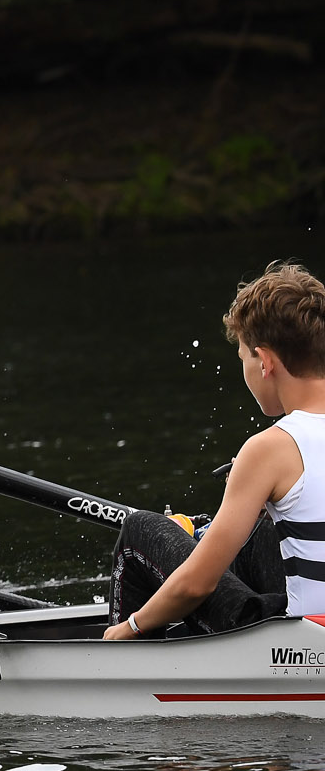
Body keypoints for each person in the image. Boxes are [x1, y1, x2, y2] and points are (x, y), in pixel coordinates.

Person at [106, 261, 325, 640]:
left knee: (141, 530)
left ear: (266, 362)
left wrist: (131, 626)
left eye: (243, 358)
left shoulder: (270, 448)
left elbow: (197, 586)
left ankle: (117, 660)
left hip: (300, 646)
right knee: (260, 531)